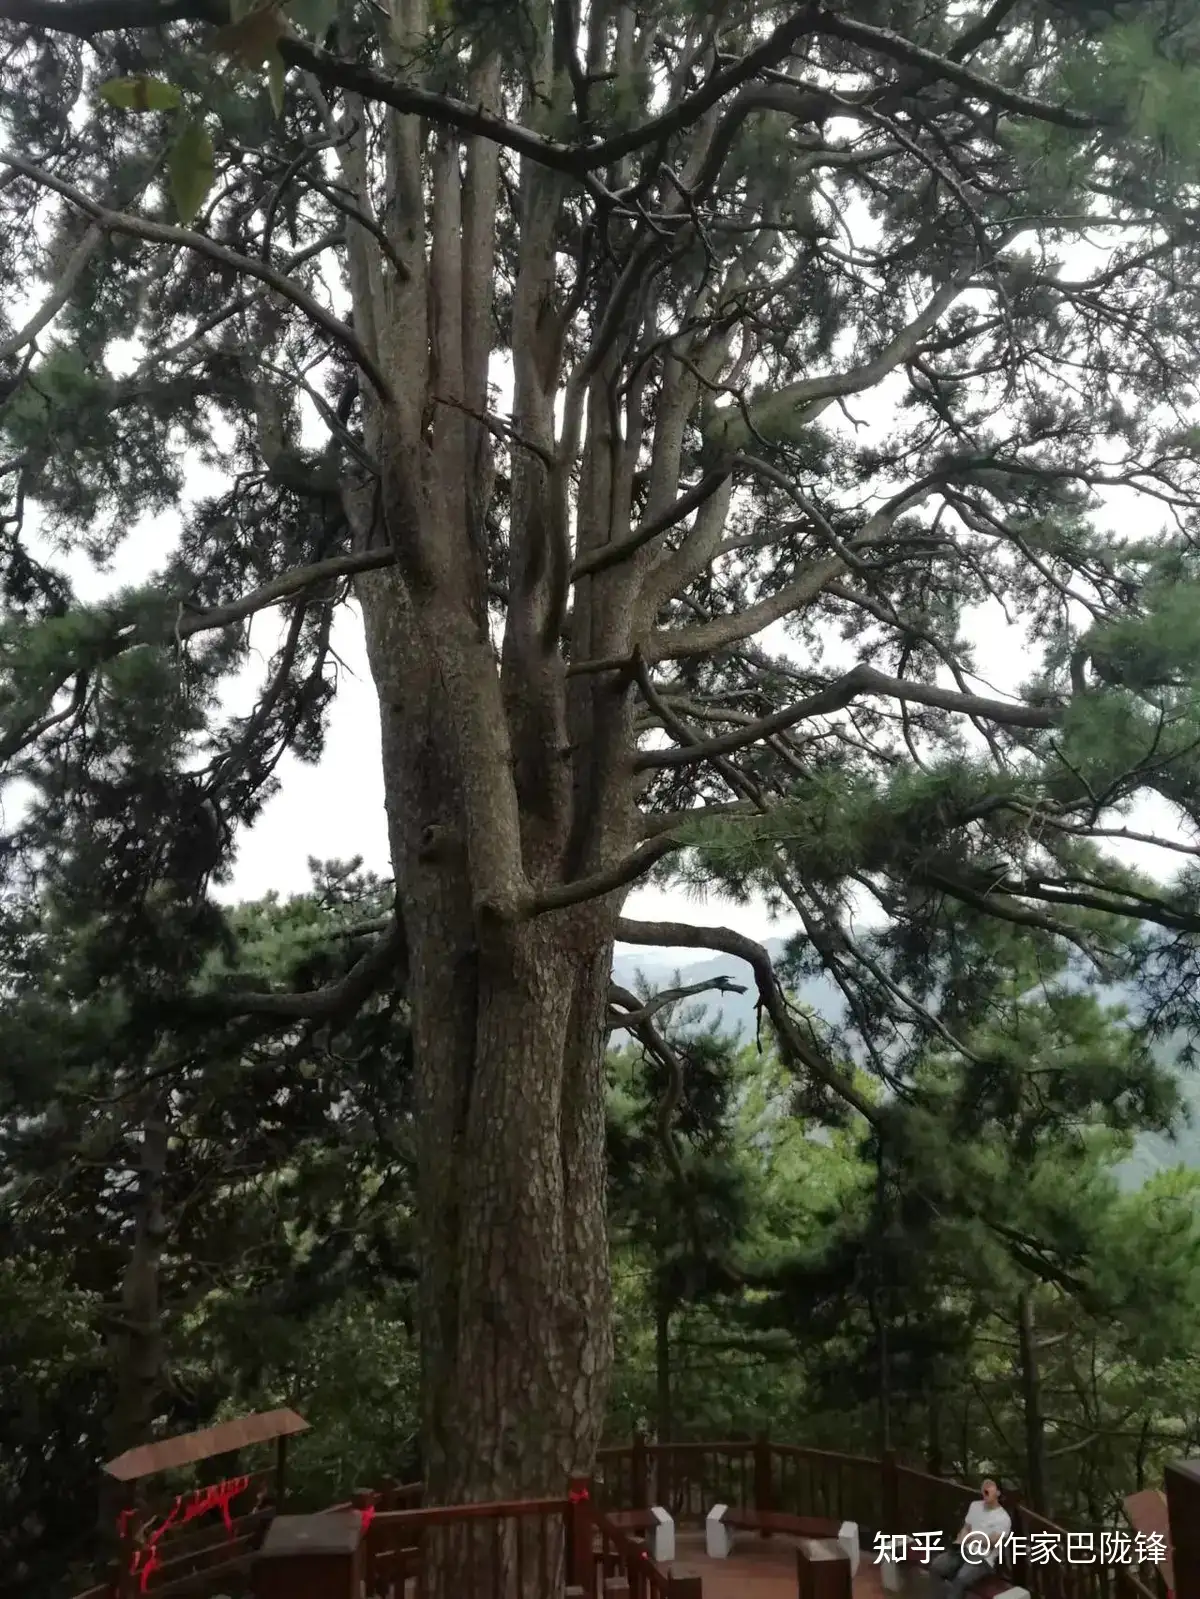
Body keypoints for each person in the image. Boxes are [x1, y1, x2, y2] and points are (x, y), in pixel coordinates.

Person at [929, 1479, 1012, 1599]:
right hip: (963, 1550)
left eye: (990, 1485)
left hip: (982, 1559)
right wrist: (959, 1540)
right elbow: (966, 1527)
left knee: (960, 1579)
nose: (986, 1487)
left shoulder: (1003, 1518)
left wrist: (971, 1537)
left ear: (998, 1493)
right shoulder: (975, 1505)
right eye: (984, 1485)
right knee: (936, 1567)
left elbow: (992, 1543)